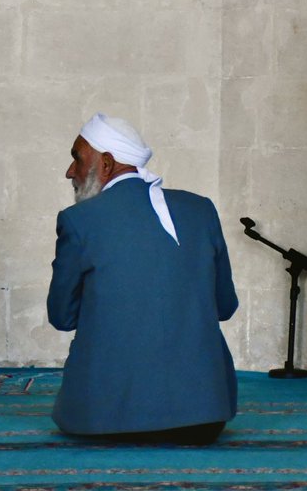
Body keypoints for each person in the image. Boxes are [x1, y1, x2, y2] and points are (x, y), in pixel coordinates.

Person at [47, 113, 238, 444]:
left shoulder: (78, 220)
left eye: (76, 159)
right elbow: (224, 306)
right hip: (204, 418)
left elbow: (62, 317)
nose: (70, 172)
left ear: (106, 164)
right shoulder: (201, 209)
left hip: (104, 420)